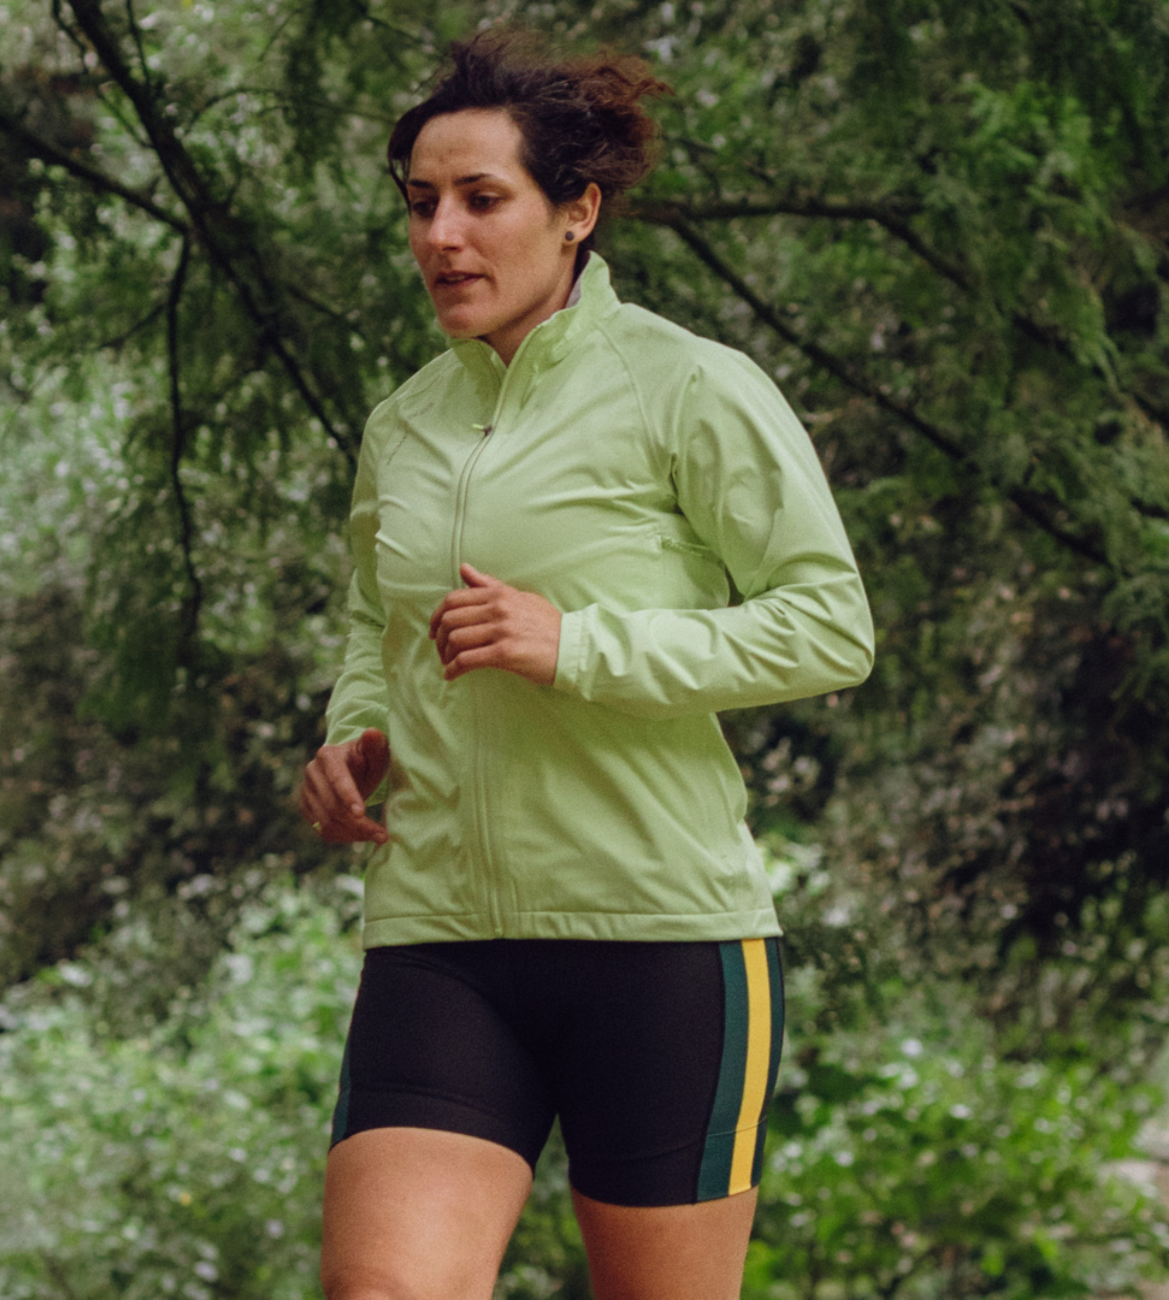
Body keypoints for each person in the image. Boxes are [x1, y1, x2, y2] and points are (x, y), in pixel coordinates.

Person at [300, 30, 874, 1300]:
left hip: (660, 939)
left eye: (480, 200)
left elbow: (829, 623)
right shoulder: (403, 425)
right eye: (419, 205)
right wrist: (356, 732)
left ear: (577, 211)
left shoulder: (687, 387)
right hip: (442, 934)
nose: (441, 235)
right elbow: (373, 626)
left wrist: (581, 645)